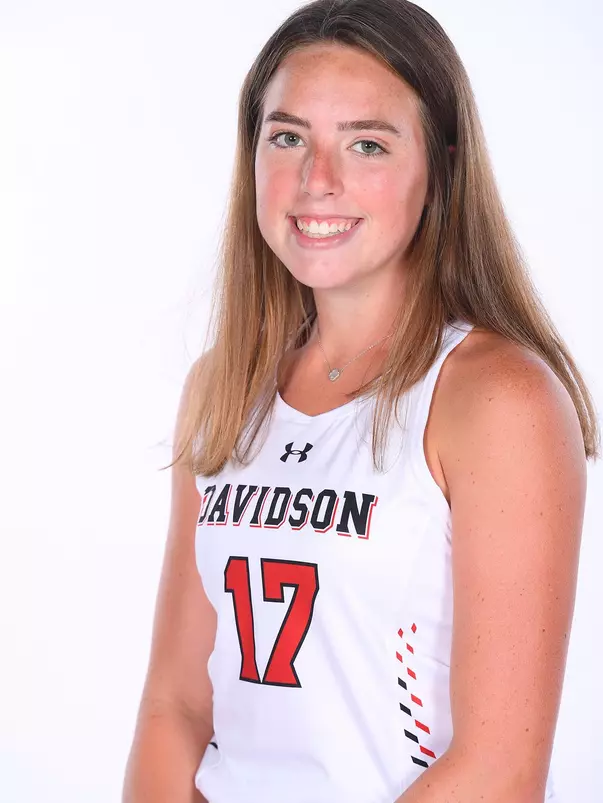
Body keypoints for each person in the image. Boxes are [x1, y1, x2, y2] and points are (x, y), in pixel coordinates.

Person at [122, 1, 599, 802]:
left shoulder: (495, 398)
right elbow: (175, 705)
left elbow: (498, 769)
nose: (317, 181)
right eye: (288, 137)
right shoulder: (223, 386)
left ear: (439, 166)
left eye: (367, 144)